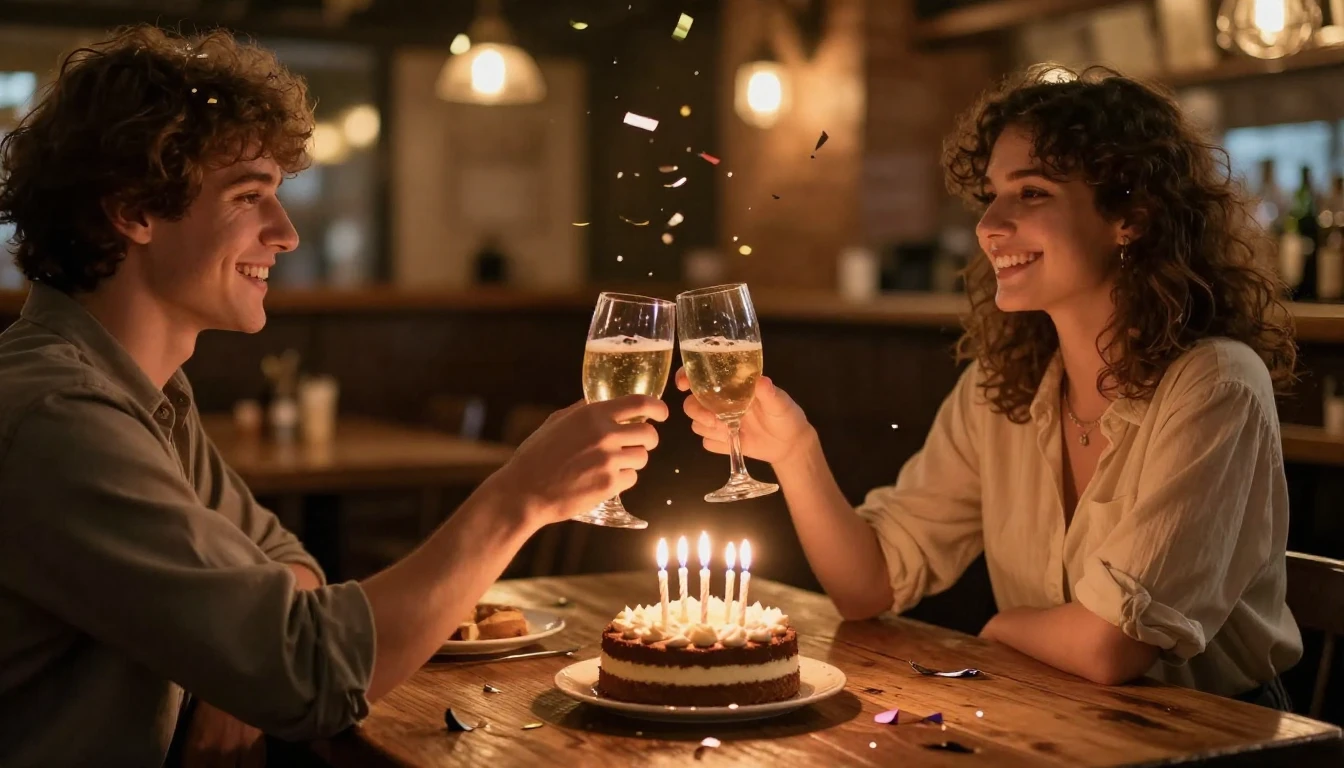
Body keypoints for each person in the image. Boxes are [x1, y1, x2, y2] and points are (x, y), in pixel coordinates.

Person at [0, 25, 667, 767]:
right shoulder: (59, 417)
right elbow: (310, 675)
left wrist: (237, 662)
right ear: (134, 211)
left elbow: (292, 564)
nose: (285, 232)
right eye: (249, 196)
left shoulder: (147, 393)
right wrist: (518, 499)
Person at [678, 66, 1302, 706]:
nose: (989, 226)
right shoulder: (1001, 387)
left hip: (1217, 737)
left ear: (1131, 218)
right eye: (990, 196)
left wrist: (999, 628)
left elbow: (1110, 648)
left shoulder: (1215, 384)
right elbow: (867, 587)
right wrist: (795, 451)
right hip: (1055, 719)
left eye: (1031, 193)